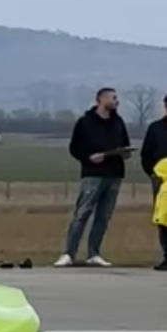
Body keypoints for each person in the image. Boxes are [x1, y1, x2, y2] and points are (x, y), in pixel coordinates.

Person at [57, 87, 131, 267]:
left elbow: (125, 143)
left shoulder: (118, 122)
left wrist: (124, 153)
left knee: (103, 216)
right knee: (82, 213)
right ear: (101, 99)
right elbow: (74, 148)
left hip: (114, 174)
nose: (116, 101)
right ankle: (69, 253)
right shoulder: (85, 122)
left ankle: (94, 253)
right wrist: (88, 157)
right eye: (113, 98)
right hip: (93, 174)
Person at [141, 95, 167, 271]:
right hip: (161, 181)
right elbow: (146, 154)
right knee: (163, 219)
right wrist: (152, 173)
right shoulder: (155, 128)